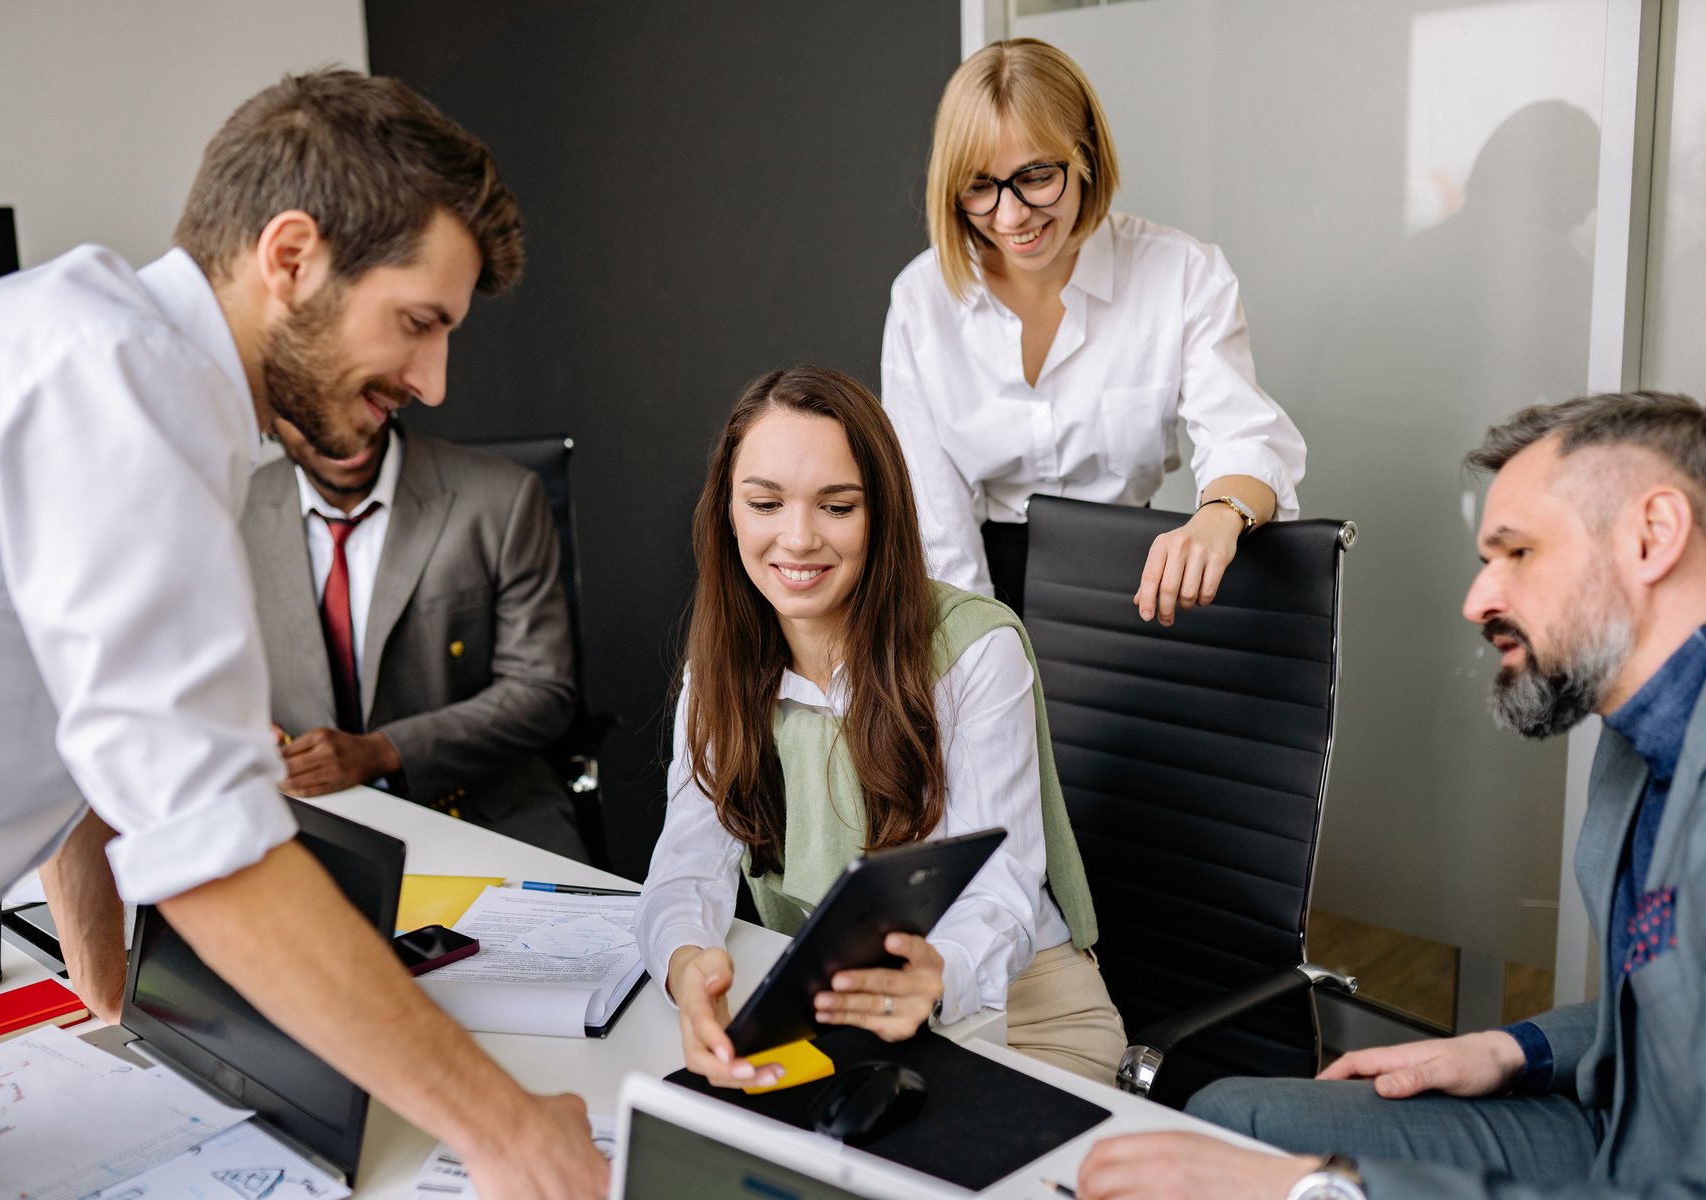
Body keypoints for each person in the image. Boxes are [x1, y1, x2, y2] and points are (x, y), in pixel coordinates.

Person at [0, 70, 604, 1199]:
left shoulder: (95, 345)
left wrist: (117, 1012)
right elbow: (212, 854)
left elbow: (90, 755)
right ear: (291, 258)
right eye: (417, 323)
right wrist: (510, 1132)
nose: (430, 381)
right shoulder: (123, 386)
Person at [1072, 391, 1706, 1200]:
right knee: (1233, 1114)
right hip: (1615, 1124)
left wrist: (1321, 1191)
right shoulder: (1634, 736)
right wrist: (1516, 1049)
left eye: (1517, 554)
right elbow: (1663, 1006)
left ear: (1653, 536)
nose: (1478, 600)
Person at [634, 365, 1124, 1089]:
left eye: (836, 507)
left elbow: (1002, 889)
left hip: (1026, 1012)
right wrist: (685, 962)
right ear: (728, 513)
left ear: (881, 515)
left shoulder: (974, 649)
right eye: (765, 502)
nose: (796, 540)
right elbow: (683, 866)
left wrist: (936, 977)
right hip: (845, 1017)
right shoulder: (720, 670)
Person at [882, 37, 1306, 622]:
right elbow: (934, 518)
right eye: (980, 186)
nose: (1011, 217)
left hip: (1141, 588)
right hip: (974, 584)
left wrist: (1219, 517)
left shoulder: (1181, 273)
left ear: (1085, 157)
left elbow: (1245, 437)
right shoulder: (921, 299)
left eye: (1035, 176)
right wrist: (978, 642)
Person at [240, 415, 589, 861]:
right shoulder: (231, 511)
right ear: (272, 418)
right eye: (313, 412)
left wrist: (383, 752)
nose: (342, 427)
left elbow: (543, 691)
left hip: (485, 814)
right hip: (304, 825)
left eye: (357, 397)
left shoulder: (504, 496)